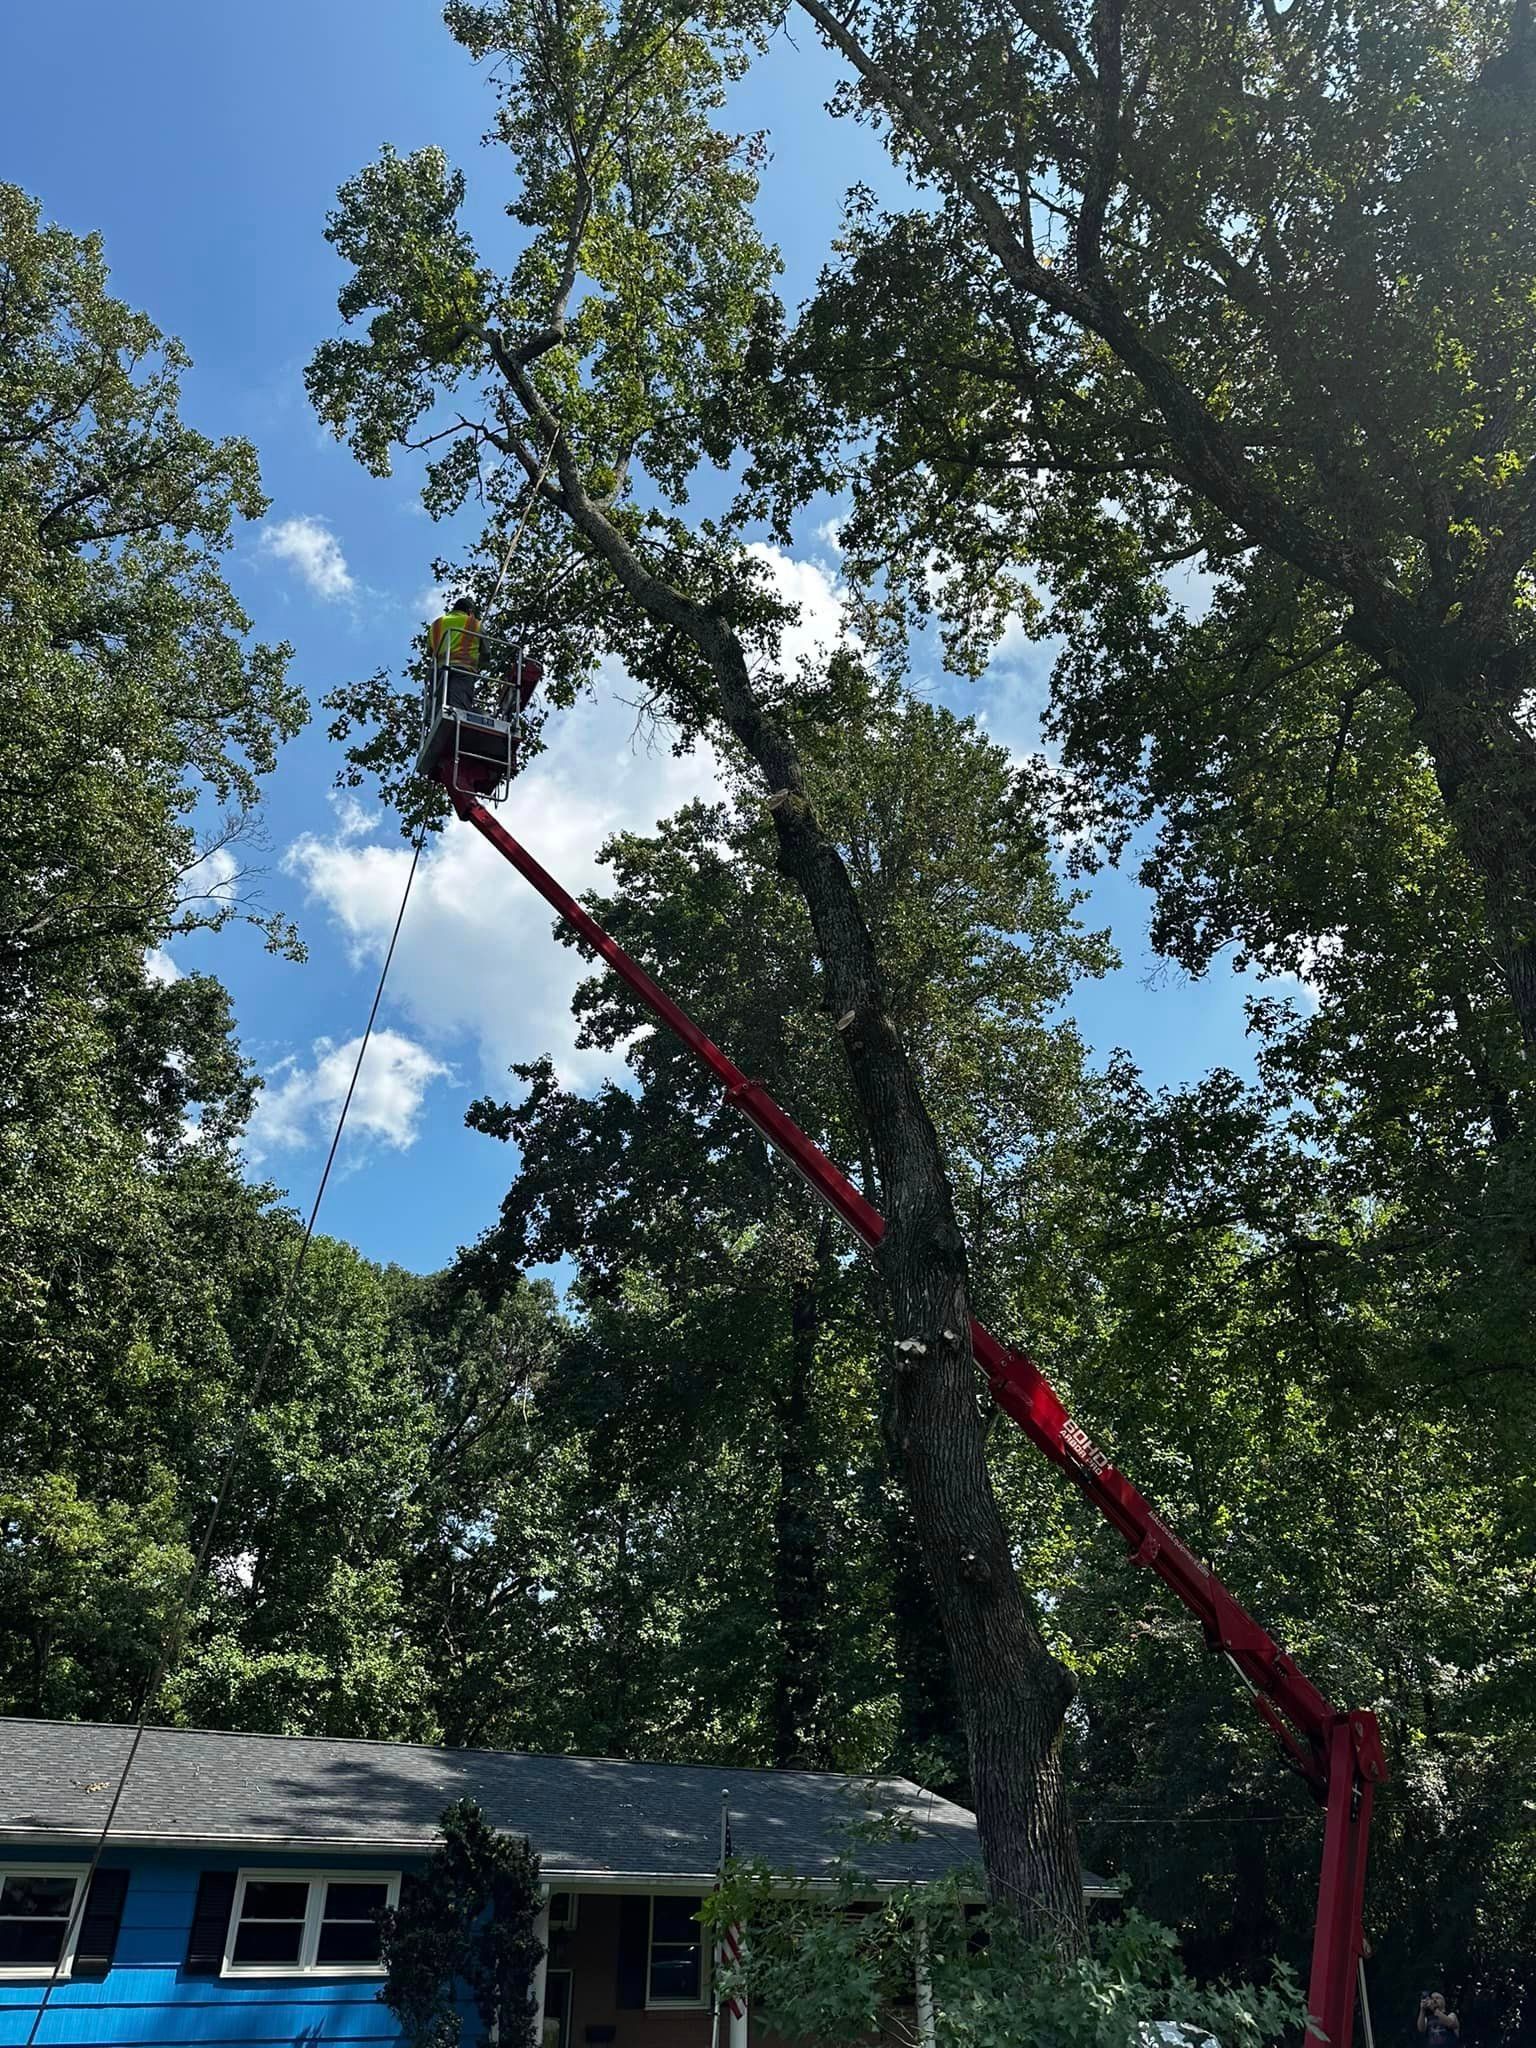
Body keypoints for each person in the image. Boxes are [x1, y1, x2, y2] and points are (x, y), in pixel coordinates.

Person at [428, 597, 483, 713]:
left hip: (438, 673)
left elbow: (430, 651)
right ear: (470, 611)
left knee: (439, 711)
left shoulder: (436, 624)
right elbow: (486, 653)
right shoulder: (474, 624)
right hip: (462, 671)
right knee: (458, 711)